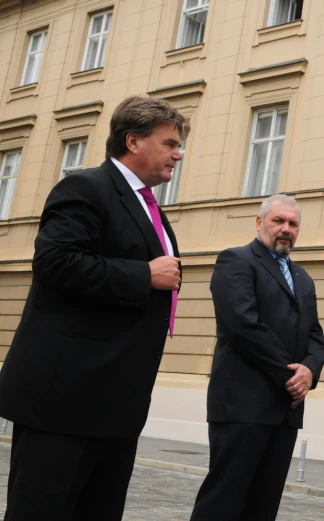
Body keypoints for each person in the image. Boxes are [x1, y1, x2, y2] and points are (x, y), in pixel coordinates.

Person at [0, 96, 186, 521]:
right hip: (65, 402)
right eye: (170, 142)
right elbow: (55, 263)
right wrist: (143, 275)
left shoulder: (148, 205)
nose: (178, 153)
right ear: (133, 141)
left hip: (114, 405)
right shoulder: (85, 187)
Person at [190, 194, 324, 521]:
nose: (286, 229)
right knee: (222, 504)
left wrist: (309, 370)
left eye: (293, 224)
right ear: (259, 222)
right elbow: (243, 325)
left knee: (263, 508)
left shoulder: (304, 279)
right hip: (242, 407)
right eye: (278, 220)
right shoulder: (235, 261)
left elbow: (316, 337)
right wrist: (290, 376)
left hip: (285, 412)